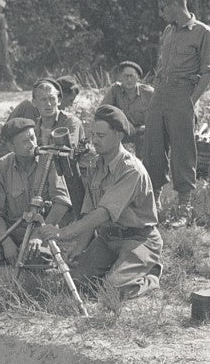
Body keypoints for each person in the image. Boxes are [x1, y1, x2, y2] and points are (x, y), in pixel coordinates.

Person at [36, 105, 164, 309]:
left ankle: (150, 275)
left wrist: (63, 233)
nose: (94, 140)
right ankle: (119, 268)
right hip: (107, 238)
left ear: (119, 135)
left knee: (112, 290)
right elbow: (89, 209)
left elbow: (103, 213)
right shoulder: (98, 164)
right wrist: (81, 244)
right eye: (93, 134)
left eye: (101, 136)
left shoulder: (131, 169)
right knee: (78, 283)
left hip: (137, 237)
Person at [151, 0, 210, 228]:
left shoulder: (202, 32)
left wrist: (191, 101)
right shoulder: (168, 32)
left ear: (175, 5)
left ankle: (184, 207)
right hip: (160, 93)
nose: (161, 14)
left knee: (183, 152)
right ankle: (154, 202)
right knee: (154, 148)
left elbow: (209, 72)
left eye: (163, 8)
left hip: (183, 95)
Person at [0, 118, 71, 269]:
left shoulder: (48, 160)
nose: (32, 145)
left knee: (36, 257)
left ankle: (26, 260)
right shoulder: (1, 166)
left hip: (42, 227)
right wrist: (6, 242)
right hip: (11, 229)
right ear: (11, 146)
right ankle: (15, 258)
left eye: (32, 138)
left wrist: (37, 235)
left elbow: (62, 203)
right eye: (24, 141)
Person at [0, 79, 86, 217]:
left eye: (51, 98)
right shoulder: (34, 127)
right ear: (34, 102)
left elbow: (65, 150)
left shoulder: (71, 122)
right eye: (43, 99)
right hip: (46, 183)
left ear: (59, 100)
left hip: (73, 181)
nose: (48, 104)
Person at [102, 60, 157, 167]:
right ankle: (115, 169)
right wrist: (120, 121)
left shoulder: (148, 92)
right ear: (120, 77)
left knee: (146, 143)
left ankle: (145, 171)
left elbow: (160, 113)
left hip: (144, 131)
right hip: (123, 129)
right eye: (125, 76)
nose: (128, 79)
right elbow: (103, 110)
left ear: (138, 78)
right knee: (109, 137)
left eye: (131, 76)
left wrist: (149, 126)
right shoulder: (115, 90)